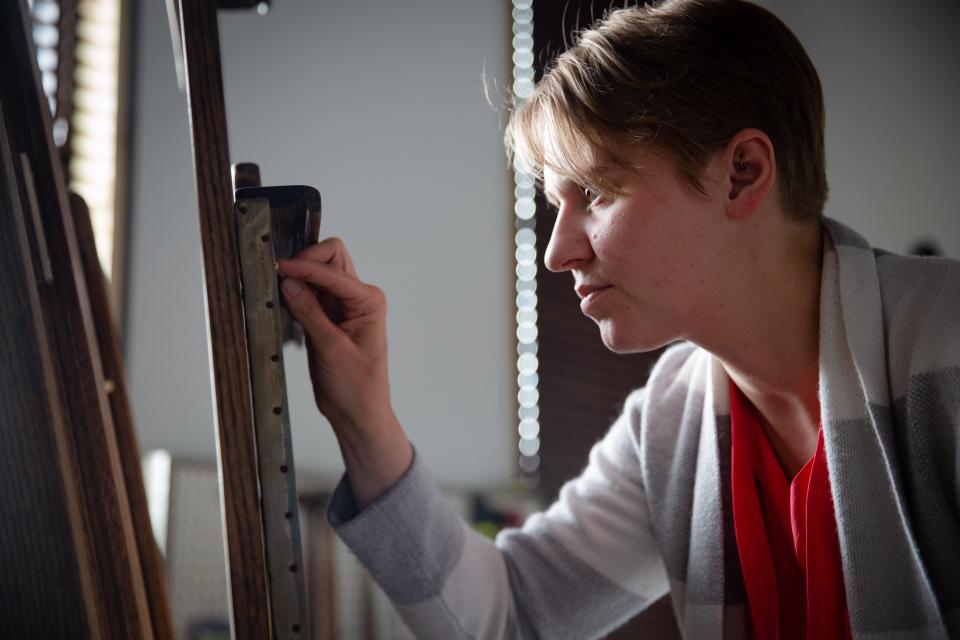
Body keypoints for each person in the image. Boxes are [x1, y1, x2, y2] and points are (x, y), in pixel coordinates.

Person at [275, 0, 960, 637]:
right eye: (554, 204)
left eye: (597, 192)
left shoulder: (945, 347)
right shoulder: (671, 420)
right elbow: (510, 616)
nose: (555, 252)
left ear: (742, 173)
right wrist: (363, 414)